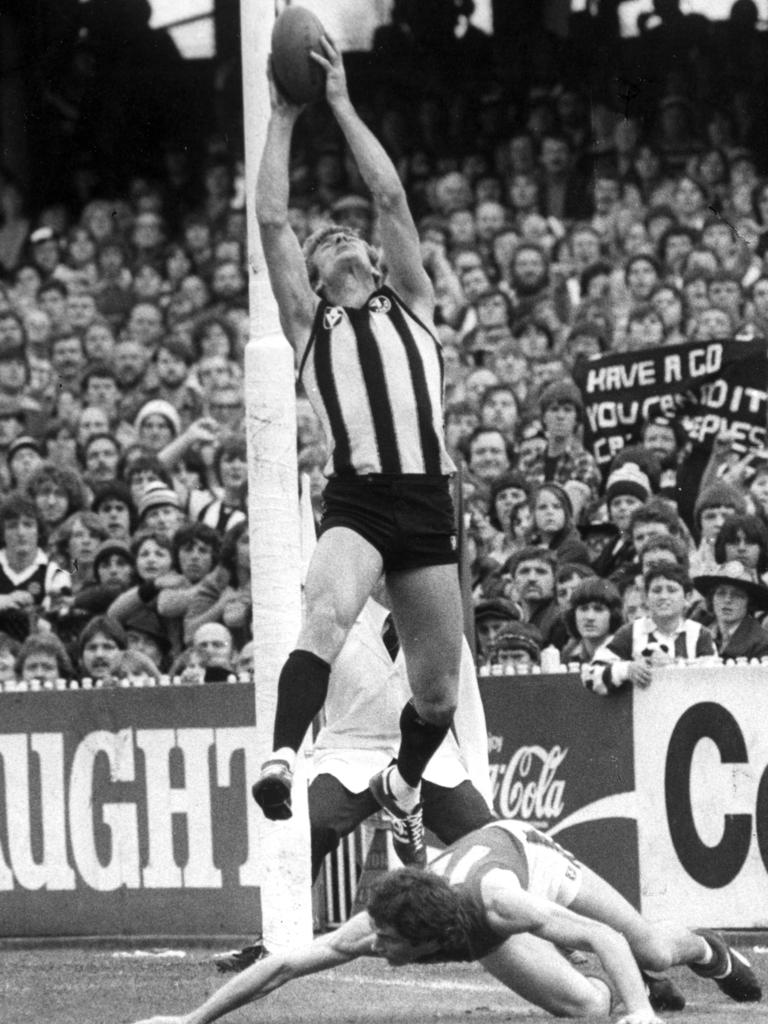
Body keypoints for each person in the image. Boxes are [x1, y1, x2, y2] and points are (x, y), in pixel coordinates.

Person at [250, 35, 463, 866]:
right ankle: (281, 755)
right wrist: (282, 115)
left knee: (437, 696)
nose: (335, 235)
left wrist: (340, 102)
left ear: (375, 259)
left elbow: (387, 192)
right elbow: (272, 218)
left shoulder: (410, 300)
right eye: (322, 240)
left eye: (346, 235)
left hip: (425, 500)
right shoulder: (311, 325)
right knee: (327, 613)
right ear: (312, 272)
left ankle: (403, 790)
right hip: (362, 499)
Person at [130, 819, 762, 1024]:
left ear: (431, 942)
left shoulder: (500, 906)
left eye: (389, 942)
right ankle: (634, 989)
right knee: (589, 1009)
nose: (375, 946)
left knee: (645, 947)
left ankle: (707, 952)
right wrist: (192, 1021)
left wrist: (643, 1022)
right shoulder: (381, 925)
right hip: (478, 909)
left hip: (529, 861)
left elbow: (600, 936)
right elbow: (287, 964)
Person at [583, 565, 717, 696]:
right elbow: (590, 676)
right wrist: (627, 669)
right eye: (656, 590)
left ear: (687, 598)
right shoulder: (630, 632)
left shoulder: (700, 635)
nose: (663, 596)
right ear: (646, 598)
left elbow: (715, 681)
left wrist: (675, 665)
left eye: (672, 590)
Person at [693, 560, 768, 660]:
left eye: (737, 595)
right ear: (712, 598)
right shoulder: (698, 634)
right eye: (721, 593)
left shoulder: (761, 642)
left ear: (749, 603)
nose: (727, 600)